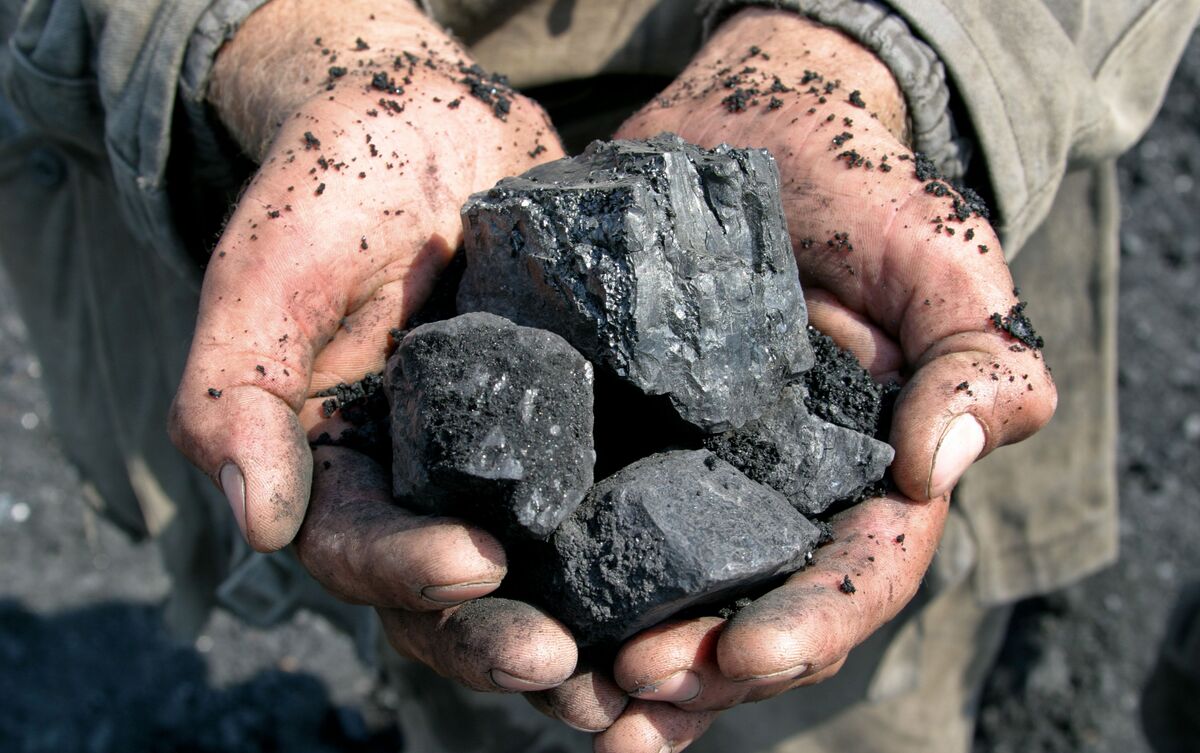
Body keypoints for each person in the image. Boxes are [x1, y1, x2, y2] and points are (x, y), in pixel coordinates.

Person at [1, 1, 1196, 751]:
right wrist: (267, 30)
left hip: (864, 151)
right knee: (445, 634)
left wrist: (886, 43)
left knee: (841, 707)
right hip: (316, 193)